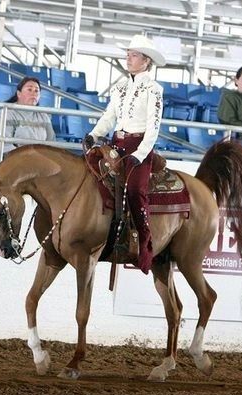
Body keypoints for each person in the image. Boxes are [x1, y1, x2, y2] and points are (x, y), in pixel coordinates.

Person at [83, 34, 166, 274]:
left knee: (135, 190)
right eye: (128, 55)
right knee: (88, 168)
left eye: (134, 55)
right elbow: (109, 116)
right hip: (116, 143)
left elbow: (154, 126)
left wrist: (140, 153)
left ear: (146, 61)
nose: (128, 59)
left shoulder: (153, 89)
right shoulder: (120, 86)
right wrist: (94, 134)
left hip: (138, 146)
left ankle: (145, 241)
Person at [0, 76, 56, 170]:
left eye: (37, 91)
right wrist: (29, 158)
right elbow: (3, 146)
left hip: (37, 160)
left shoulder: (43, 116)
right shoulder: (6, 113)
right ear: (19, 94)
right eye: (29, 90)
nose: (34, 93)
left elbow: (51, 142)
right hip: (7, 159)